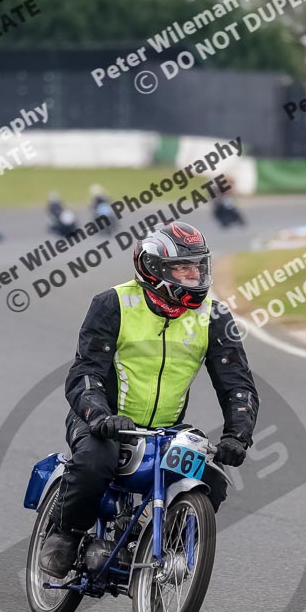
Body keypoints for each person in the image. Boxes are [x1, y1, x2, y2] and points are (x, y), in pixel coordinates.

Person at [40, 221, 259, 578]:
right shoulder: (112, 304)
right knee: (96, 461)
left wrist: (238, 434)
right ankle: (65, 532)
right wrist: (98, 416)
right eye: (182, 268)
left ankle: (167, 548)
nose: (194, 275)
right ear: (154, 270)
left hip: (166, 430)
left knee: (212, 475)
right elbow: (85, 373)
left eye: (198, 266)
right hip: (103, 422)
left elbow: (237, 384)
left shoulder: (214, 317)